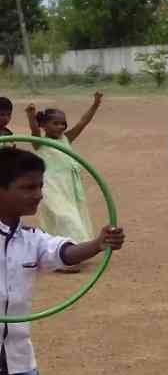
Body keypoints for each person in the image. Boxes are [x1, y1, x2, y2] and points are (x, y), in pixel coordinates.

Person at [0, 147, 125, 375]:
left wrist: (99, 243)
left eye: (39, 185)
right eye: (27, 187)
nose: (38, 194)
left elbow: (62, 253)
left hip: (17, 348)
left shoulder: (31, 238)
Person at [24, 94, 103, 275]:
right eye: (55, 123)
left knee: (69, 217)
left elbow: (83, 122)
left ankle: (67, 254)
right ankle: (63, 261)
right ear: (44, 125)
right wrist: (30, 115)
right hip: (51, 187)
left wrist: (95, 105)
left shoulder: (66, 138)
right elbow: (34, 131)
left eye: (63, 123)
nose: (60, 127)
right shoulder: (39, 143)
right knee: (66, 218)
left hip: (68, 187)